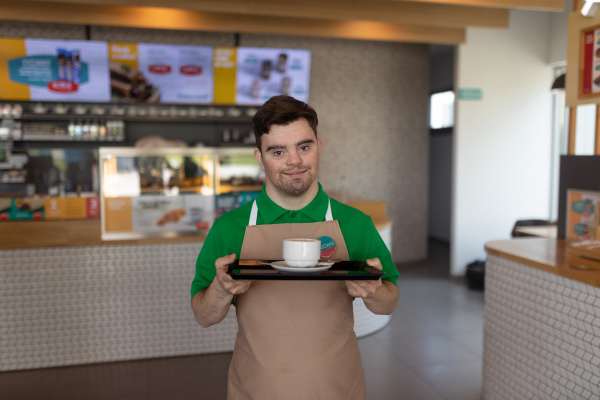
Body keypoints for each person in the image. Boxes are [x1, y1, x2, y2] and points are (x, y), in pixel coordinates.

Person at [191, 95, 399, 400]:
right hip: (256, 388)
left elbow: (389, 303)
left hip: (337, 387)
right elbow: (203, 316)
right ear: (260, 158)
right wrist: (221, 290)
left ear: (319, 146)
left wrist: (373, 290)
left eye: (304, 147)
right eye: (278, 151)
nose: (295, 162)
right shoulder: (230, 228)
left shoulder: (355, 224)